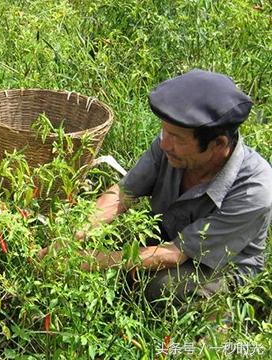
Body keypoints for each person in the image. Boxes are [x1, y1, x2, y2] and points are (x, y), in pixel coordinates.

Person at [40, 69, 272, 306]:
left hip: (218, 264)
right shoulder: (171, 148)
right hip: (167, 235)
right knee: (114, 252)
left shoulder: (254, 189)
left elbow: (174, 254)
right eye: (164, 131)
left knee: (160, 288)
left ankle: (220, 317)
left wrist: (90, 262)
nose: (164, 143)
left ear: (218, 144)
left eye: (177, 138)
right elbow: (122, 194)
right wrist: (73, 237)